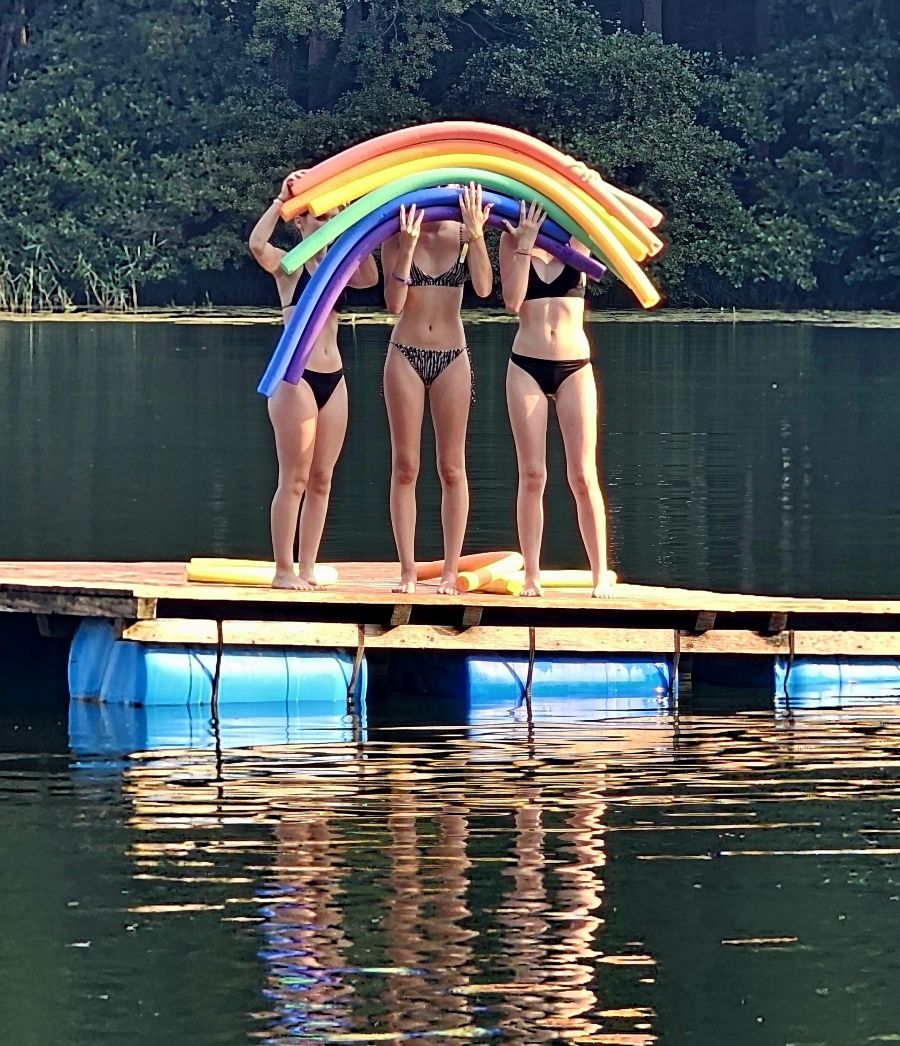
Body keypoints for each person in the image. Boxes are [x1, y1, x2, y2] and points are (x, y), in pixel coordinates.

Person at [249, 171, 378, 590]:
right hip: (296, 378)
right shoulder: (291, 267)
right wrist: (279, 202)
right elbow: (257, 246)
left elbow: (370, 278)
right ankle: (283, 569)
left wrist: (355, 221)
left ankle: (307, 567)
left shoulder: (340, 267)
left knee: (322, 479)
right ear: (302, 222)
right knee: (296, 479)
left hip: (333, 377)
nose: (328, 224)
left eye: (334, 217)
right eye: (321, 217)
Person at [380, 182, 493, 594]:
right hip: (405, 353)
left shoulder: (464, 233)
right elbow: (394, 303)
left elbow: (484, 288)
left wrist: (477, 235)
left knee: (452, 466)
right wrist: (407, 246)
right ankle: (408, 571)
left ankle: (449, 570)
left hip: (452, 355)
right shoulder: (395, 234)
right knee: (406, 465)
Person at [499, 199, 614, 598]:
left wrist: (586, 186)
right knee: (533, 474)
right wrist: (525, 243)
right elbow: (512, 302)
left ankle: (600, 573)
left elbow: (605, 207)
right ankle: (532, 575)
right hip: (526, 365)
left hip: (574, 366)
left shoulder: (578, 238)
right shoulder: (512, 236)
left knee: (583, 475)